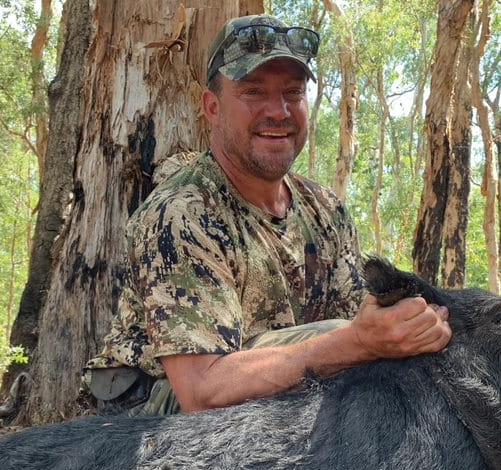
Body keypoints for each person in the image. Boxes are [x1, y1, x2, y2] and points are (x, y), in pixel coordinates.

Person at [86, 14, 451, 416]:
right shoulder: (181, 214)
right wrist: (358, 342)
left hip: (263, 391)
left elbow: (359, 323)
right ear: (212, 107)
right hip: (150, 413)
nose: (278, 111)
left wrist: (409, 324)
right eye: (253, 91)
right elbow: (201, 389)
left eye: (293, 92)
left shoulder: (326, 211)